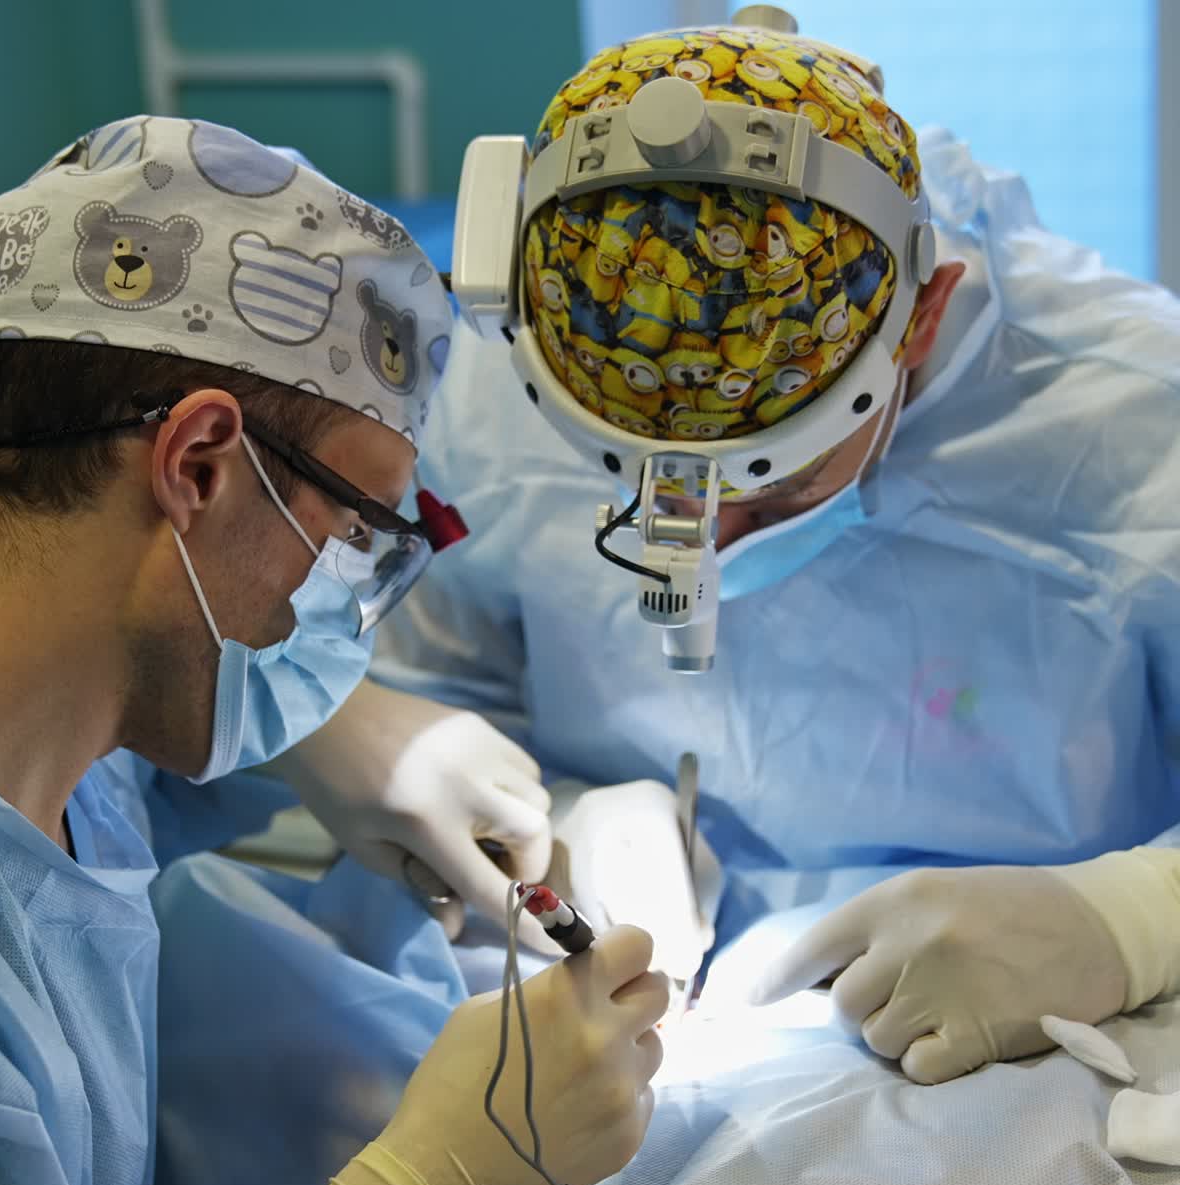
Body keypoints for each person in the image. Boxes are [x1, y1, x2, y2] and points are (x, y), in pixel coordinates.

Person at [0, 115, 668, 1185]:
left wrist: (327, 737)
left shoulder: (46, 742)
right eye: (359, 533)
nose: (352, 600)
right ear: (199, 464)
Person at [363, 16, 1180, 1087]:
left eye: (777, 484)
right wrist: (549, 817)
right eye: (635, 483)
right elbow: (433, 679)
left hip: (1050, 1057)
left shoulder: (1134, 431)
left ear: (920, 317)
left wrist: (1124, 919)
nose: (702, 546)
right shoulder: (543, 346)